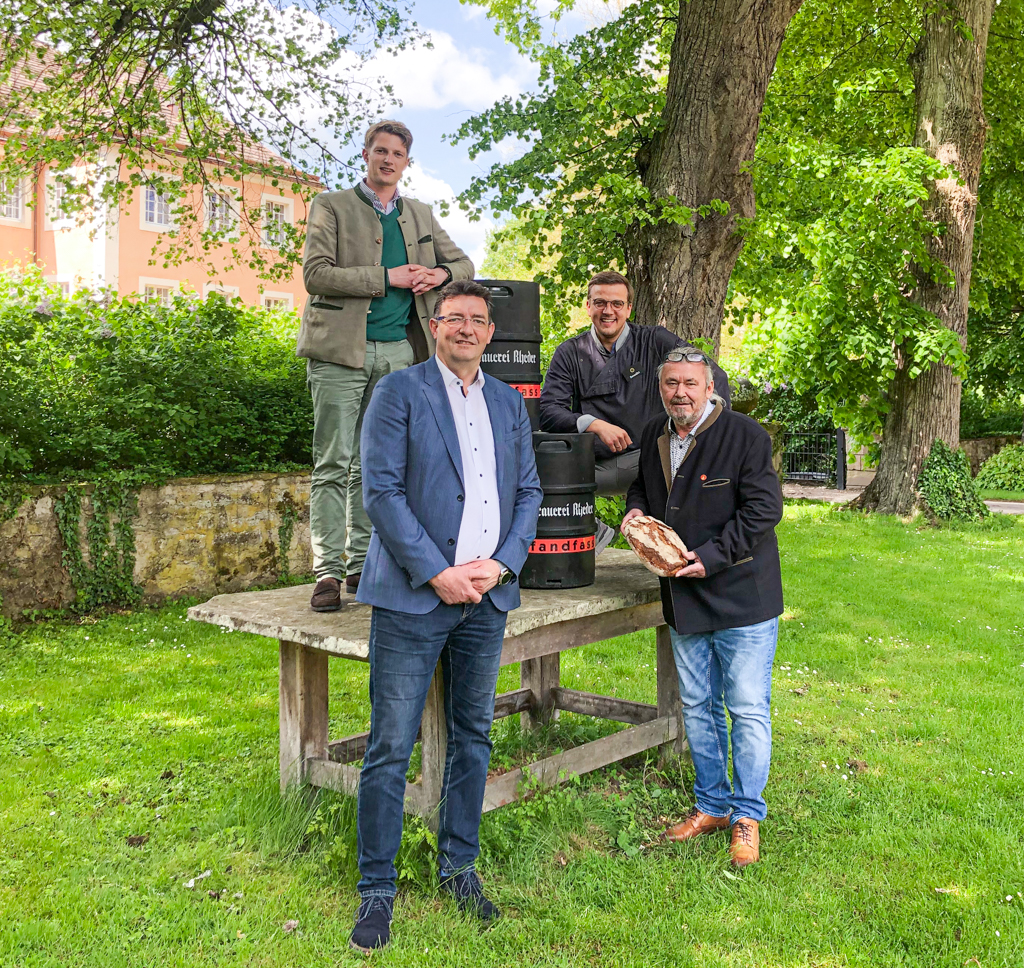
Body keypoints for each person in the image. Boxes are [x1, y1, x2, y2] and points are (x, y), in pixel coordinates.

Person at [349, 279, 543, 952]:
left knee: (473, 738)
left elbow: (528, 490)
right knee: (389, 746)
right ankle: (377, 890)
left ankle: (459, 867)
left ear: (492, 333)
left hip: (488, 596)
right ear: (435, 327)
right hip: (414, 597)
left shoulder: (509, 403)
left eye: (477, 320)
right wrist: (438, 572)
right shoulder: (399, 393)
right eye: (454, 318)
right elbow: (382, 491)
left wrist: (503, 564)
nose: (466, 329)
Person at [297, 119, 474, 612]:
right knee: (333, 461)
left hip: (401, 351)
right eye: (380, 151)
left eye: (397, 153)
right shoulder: (330, 206)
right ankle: (327, 572)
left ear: (406, 163)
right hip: (340, 351)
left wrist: (437, 273)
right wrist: (386, 277)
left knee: (379, 465)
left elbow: (464, 266)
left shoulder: (419, 214)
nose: (388, 159)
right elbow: (316, 275)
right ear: (366, 155)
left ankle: (361, 564)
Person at [622, 347, 783, 867]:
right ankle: (711, 806)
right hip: (683, 597)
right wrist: (633, 517)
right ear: (661, 387)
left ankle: (746, 816)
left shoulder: (746, 436)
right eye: (671, 383)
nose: (680, 393)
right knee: (698, 707)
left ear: (709, 386)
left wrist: (708, 558)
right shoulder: (656, 435)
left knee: (747, 709)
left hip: (742, 597)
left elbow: (764, 510)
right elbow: (640, 489)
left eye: (690, 383)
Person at [539, 270, 731, 550]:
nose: (608, 311)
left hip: (648, 459)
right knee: (531, 470)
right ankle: (592, 529)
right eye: (600, 302)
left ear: (629, 308)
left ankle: (684, 553)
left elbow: (713, 375)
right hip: (591, 464)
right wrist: (594, 424)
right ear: (588, 306)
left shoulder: (654, 340)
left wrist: (705, 436)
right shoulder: (570, 352)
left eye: (617, 304)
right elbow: (549, 411)